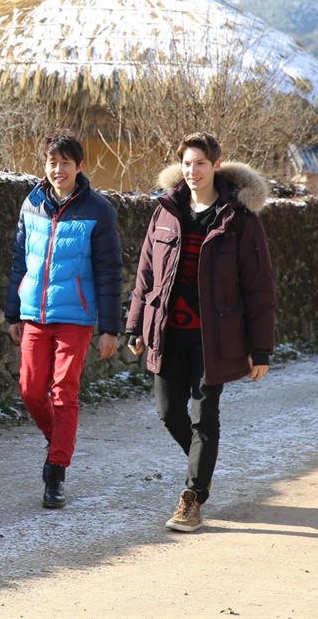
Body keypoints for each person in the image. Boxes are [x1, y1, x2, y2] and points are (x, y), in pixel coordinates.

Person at [125, 132, 276, 532]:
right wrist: (135, 324)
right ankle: (202, 460)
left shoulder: (239, 219)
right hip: (167, 330)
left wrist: (260, 349)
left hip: (216, 337)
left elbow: (260, 286)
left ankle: (192, 498)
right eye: (187, 163)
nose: (193, 171)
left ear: (217, 164)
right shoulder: (166, 210)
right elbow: (145, 274)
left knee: (204, 415)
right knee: (168, 411)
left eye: (202, 164)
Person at [5, 130, 122, 508]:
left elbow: (109, 271)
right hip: (34, 315)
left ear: (79, 166)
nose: (58, 169)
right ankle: (59, 442)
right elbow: (19, 261)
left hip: (76, 316)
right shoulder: (31, 203)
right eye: (52, 163)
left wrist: (109, 328)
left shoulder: (98, 210)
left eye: (66, 163)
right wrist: (13, 311)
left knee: (63, 391)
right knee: (30, 390)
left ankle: (55, 470)